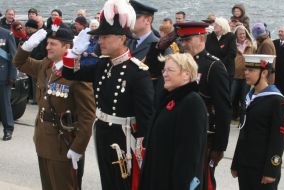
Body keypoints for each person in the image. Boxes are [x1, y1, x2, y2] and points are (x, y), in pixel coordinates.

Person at [62, 0, 154, 189]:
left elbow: (146, 118)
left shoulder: (137, 72)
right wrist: (74, 51)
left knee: (123, 185)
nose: (100, 41)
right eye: (99, 37)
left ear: (122, 38)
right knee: (107, 183)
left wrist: (143, 153)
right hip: (103, 132)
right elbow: (69, 73)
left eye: (105, 37)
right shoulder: (103, 64)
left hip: (124, 138)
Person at [12, 26, 95, 189]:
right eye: (47, 43)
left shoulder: (77, 73)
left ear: (66, 47)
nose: (47, 47)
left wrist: (78, 148)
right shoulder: (46, 65)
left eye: (52, 44)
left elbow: (88, 116)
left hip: (63, 144)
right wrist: (27, 46)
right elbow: (19, 62)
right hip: (43, 140)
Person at [174, 22, 232, 190]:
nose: (183, 44)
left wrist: (219, 146)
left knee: (201, 181)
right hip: (180, 132)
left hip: (204, 137)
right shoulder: (180, 64)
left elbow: (224, 109)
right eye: (182, 40)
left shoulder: (214, 66)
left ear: (201, 38)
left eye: (187, 40)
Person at [139, 53, 207, 190]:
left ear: (186, 75)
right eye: (164, 70)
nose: (165, 74)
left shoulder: (192, 102)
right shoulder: (170, 98)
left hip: (173, 182)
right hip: (158, 177)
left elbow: (189, 154)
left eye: (170, 70)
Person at [231, 54, 284, 190]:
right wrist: (236, 162)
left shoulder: (277, 101)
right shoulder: (249, 97)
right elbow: (243, 132)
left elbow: (278, 140)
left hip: (263, 168)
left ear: (264, 73)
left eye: (251, 71)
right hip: (245, 165)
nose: (246, 73)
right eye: (246, 69)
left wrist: (271, 171)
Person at [231, 25, 255, 122]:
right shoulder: (232, 45)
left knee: (244, 99)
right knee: (231, 97)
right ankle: (230, 117)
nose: (242, 35)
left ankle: (243, 120)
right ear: (236, 35)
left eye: (243, 33)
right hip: (235, 76)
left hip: (246, 77)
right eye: (240, 34)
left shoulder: (251, 46)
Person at [206, 17, 237, 86]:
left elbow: (232, 53)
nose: (214, 26)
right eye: (214, 24)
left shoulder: (230, 36)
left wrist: (220, 64)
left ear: (222, 26)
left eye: (217, 25)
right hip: (212, 69)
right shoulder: (209, 37)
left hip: (227, 70)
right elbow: (206, 52)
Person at [0, 27, 17, 141]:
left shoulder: (7, 34)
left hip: (3, 75)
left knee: (5, 104)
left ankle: (8, 130)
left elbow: (14, 57)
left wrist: (12, 76)